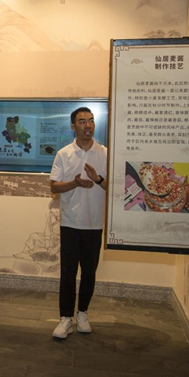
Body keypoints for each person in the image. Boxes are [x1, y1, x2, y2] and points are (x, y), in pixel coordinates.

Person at [49, 107, 108, 339]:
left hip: (95, 223)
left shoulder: (105, 153)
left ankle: (82, 313)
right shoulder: (64, 154)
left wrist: (98, 179)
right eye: (82, 121)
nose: (88, 125)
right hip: (70, 222)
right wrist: (74, 183)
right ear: (73, 127)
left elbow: (114, 187)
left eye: (91, 121)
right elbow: (54, 186)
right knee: (68, 273)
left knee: (89, 273)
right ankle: (65, 318)